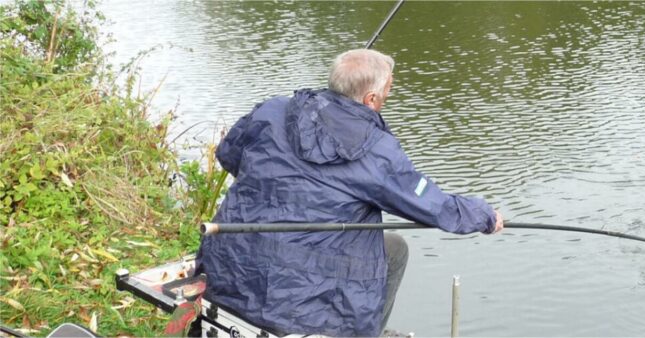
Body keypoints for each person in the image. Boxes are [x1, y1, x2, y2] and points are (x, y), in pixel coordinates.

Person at [196, 49, 504, 337]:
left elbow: (228, 155)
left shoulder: (273, 109)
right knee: (395, 249)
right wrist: (484, 216)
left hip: (228, 269)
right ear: (370, 99)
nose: (387, 98)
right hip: (293, 306)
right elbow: (435, 207)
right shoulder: (375, 151)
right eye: (387, 92)